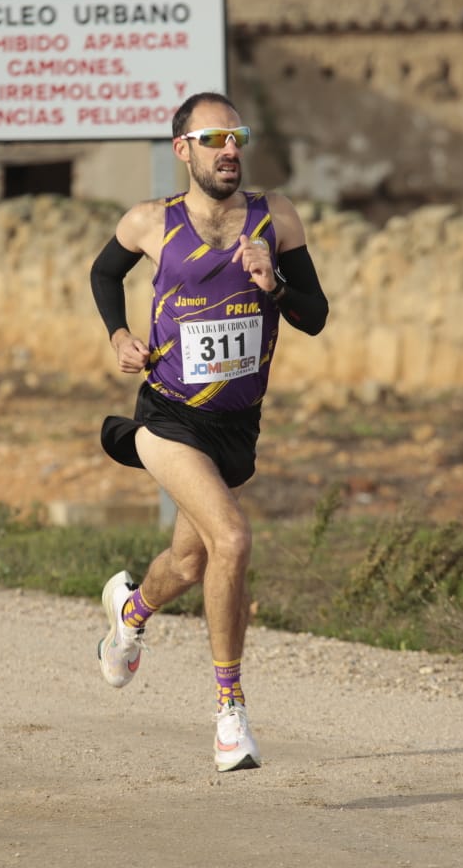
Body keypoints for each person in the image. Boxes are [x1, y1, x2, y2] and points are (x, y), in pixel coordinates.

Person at [87, 91, 329, 772]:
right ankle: (231, 714)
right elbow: (105, 273)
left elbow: (316, 315)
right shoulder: (149, 222)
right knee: (233, 538)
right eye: (214, 139)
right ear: (183, 149)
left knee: (191, 564)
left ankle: (130, 612)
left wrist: (275, 283)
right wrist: (118, 336)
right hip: (167, 414)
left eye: (237, 137)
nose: (230, 151)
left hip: (235, 427)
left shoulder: (274, 218)